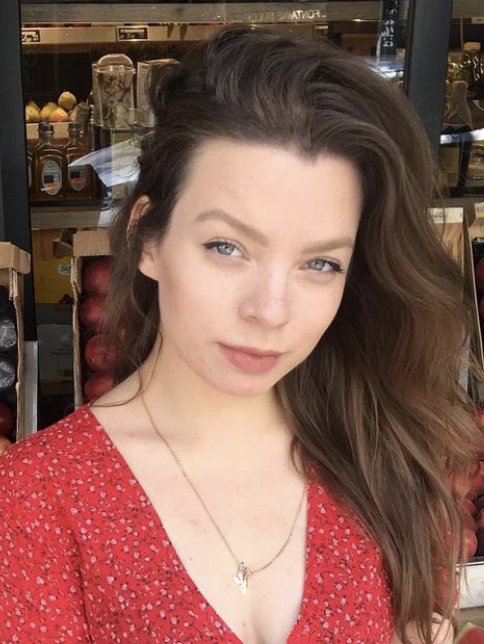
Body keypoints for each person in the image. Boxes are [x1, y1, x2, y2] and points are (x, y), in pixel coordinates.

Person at [0, 26, 482, 644]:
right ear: (148, 238)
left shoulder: (378, 453)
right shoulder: (38, 500)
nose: (270, 310)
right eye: (226, 247)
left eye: (320, 263)